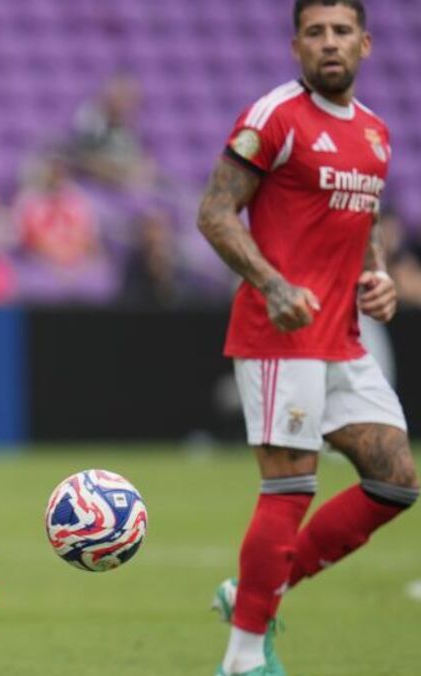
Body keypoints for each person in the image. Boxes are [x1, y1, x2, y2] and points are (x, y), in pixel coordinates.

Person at [196, 2, 417, 674]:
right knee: (290, 489)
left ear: (365, 44)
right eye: (315, 32)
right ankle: (242, 658)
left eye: (341, 32)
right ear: (296, 46)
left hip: (341, 338)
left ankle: (254, 592)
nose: (329, 43)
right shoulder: (273, 117)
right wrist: (273, 285)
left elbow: (362, 219)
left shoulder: (375, 133)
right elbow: (215, 212)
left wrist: (377, 276)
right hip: (278, 335)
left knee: (396, 481)